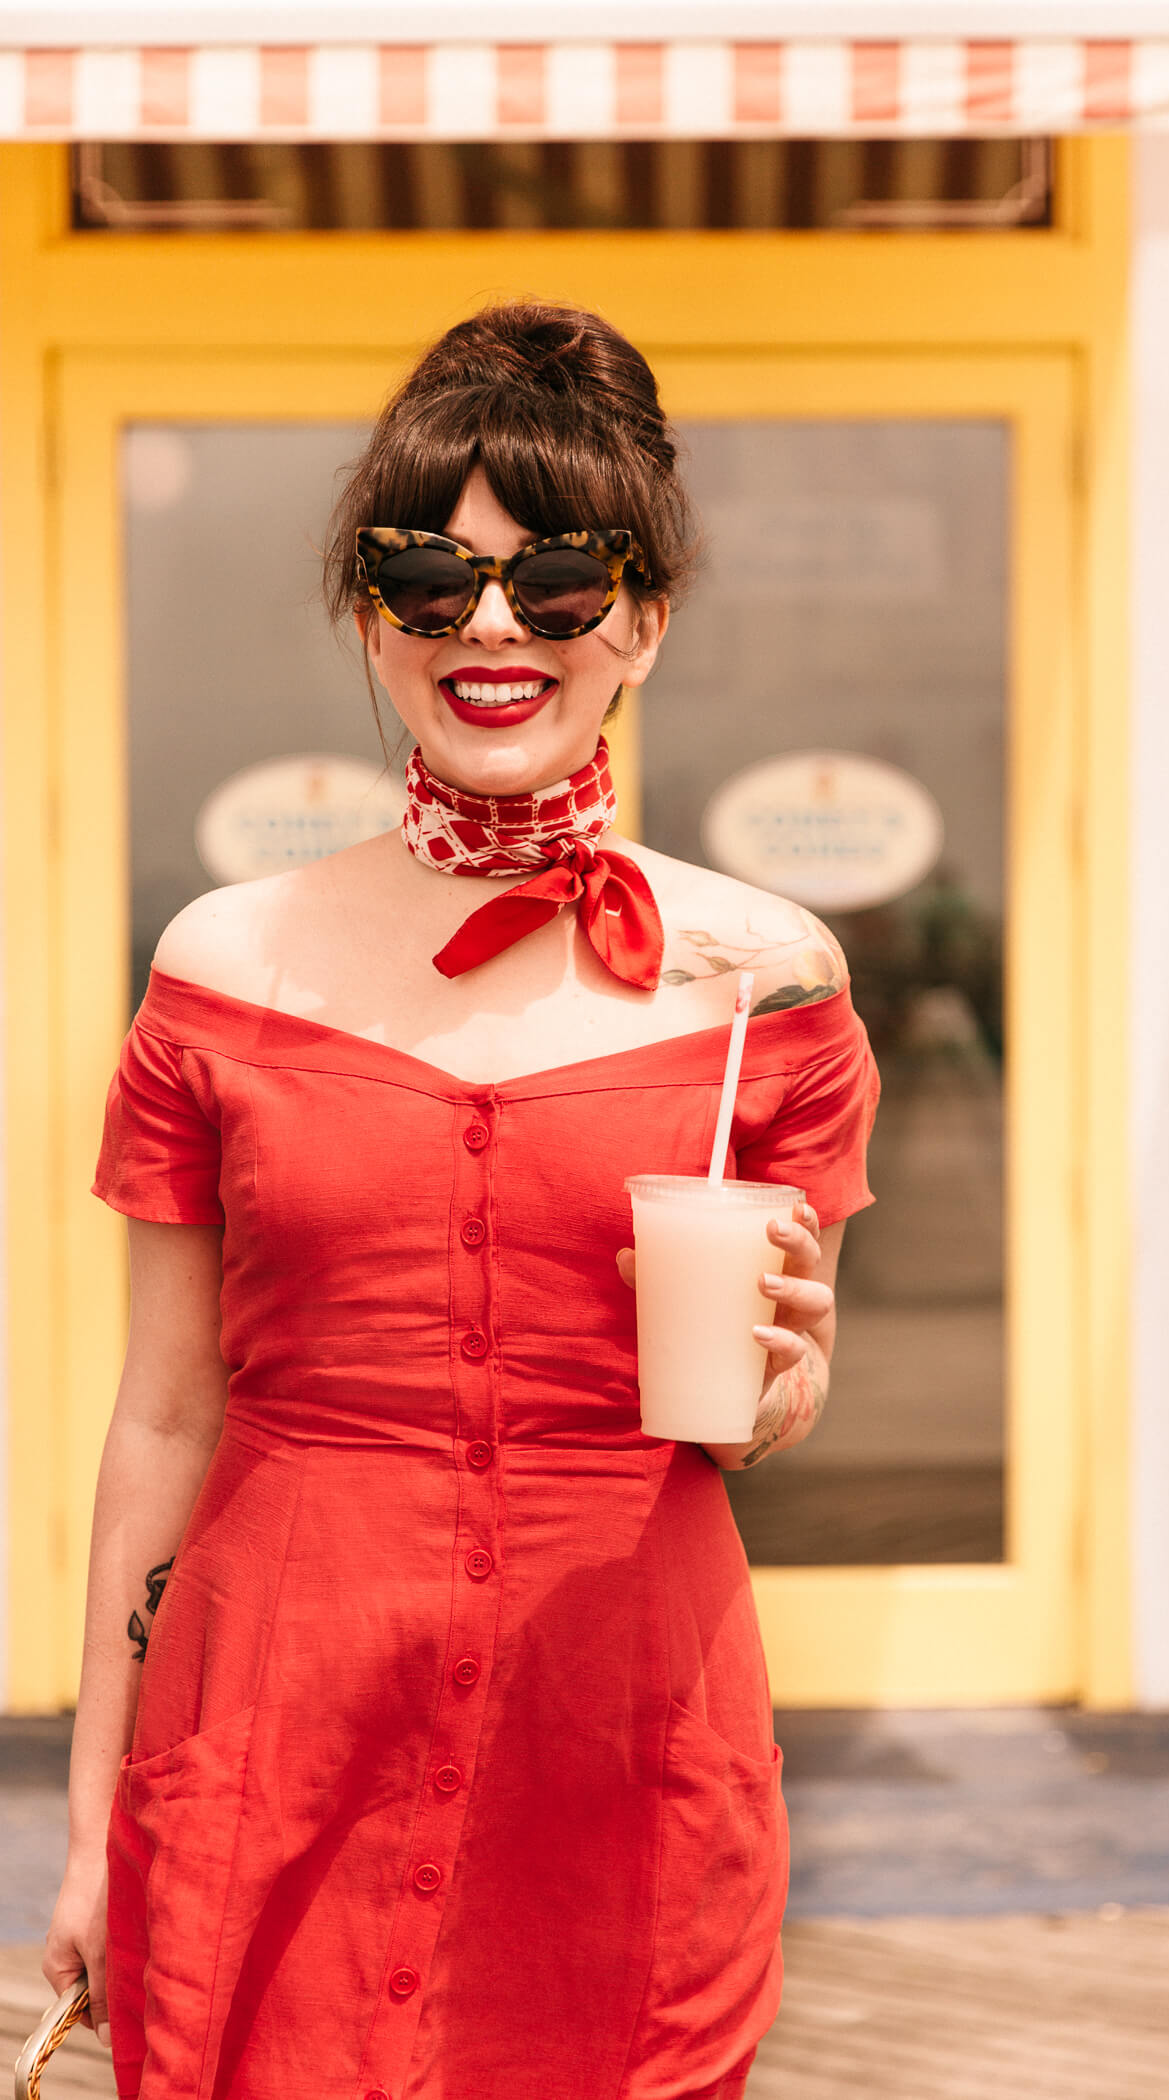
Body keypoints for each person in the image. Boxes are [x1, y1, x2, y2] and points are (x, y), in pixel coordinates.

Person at [43, 302, 880, 2100]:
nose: (491, 624)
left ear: (642, 620)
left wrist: (787, 1395)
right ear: (371, 613)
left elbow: (770, 1382)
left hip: (621, 1753)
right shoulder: (225, 965)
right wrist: (88, 1807)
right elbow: (165, 1411)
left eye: (562, 577)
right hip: (274, 1742)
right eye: (429, 575)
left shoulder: (768, 988)